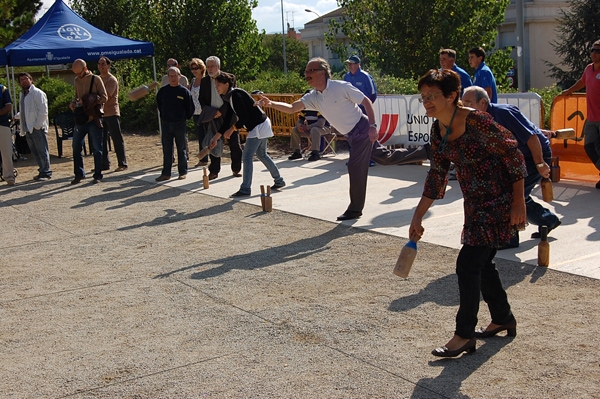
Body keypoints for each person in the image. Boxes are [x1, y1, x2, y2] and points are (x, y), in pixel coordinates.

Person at [409, 69, 526, 358]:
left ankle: (464, 335)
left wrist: (519, 202)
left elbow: (513, 153)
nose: (426, 102)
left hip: (499, 200)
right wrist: (417, 216)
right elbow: (436, 175)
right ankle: (502, 317)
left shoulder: (477, 121)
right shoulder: (438, 131)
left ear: (452, 96)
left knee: (467, 264)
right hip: (474, 204)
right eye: (423, 97)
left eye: (432, 96)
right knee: (482, 264)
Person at [258, 57, 378, 221]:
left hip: (362, 128)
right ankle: (423, 151)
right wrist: (270, 103)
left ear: (322, 72)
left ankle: (355, 210)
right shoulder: (313, 97)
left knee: (355, 167)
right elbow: (293, 108)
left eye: (310, 71)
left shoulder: (340, 87)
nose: (306, 74)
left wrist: (372, 126)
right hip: (351, 135)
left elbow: (366, 101)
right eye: (306, 71)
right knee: (384, 156)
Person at [462, 86, 560, 247]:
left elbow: (532, 138)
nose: (464, 107)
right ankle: (548, 219)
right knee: (514, 194)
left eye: (468, 102)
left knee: (511, 195)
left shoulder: (504, 113)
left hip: (532, 156)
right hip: (511, 161)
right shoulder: (473, 120)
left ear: (483, 102)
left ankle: (509, 238)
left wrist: (540, 164)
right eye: (462, 102)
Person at [212, 72, 285, 197]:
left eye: (218, 84)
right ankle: (279, 180)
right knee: (262, 154)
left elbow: (244, 117)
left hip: (259, 125)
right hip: (261, 124)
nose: (216, 86)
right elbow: (227, 119)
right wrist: (216, 137)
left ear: (226, 84)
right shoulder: (229, 97)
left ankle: (245, 188)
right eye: (215, 84)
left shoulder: (236, 95)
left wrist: (232, 129)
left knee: (246, 157)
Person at [559, 39, 600, 189]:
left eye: (597, 51)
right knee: (589, 146)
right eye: (592, 50)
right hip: (591, 117)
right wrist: (569, 91)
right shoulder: (589, 69)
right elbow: (582, 82)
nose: (593, 53)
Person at [198, 56, 243, 180]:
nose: (210, 69)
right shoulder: (205, 81)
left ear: (219, 66)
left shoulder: (229, 78)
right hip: (213, 116)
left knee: (235, 144)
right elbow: (201, 99)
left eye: (212, 66)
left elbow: (231, 98)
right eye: (208, 66)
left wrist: (220, 111)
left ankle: (236, 169)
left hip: (229, 115)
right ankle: (214, 171)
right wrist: (211, 112)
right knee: (213, 143)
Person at [69, 59, 108, 185]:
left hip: (93, 118)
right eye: (76, 74)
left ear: (85, 69)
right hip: (81, 118)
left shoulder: (96, 79)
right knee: (76, 146)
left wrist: (92, 101)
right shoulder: (76, 81)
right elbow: (76, 96)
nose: (78, 76)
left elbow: (105, 97)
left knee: (97, 148)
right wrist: (74, 103)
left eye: (79, 73)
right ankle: (79, 174)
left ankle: (98, 174)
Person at [155, 66, 194, 181]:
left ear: (179, 76)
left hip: (179, 124)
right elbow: (159, 104)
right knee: (167, 149)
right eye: (170, 76)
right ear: (168, 77)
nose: (173, 78)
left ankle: (182, 171)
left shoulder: (184, 91)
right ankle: (166, 173)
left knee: (181, 148)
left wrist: (184, 118)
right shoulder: (163, 91)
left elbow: (190, 108)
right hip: (166, 123)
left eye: (175, 76)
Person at [18, 72, 52, 181]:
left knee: (42, 150)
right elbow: (25, 110)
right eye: (21, 79)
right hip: (28, 127)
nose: (24, 81)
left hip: (37, 127)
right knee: (35, 152)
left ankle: (46, 172)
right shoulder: (22, 94)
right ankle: (42, 170)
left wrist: (37, 125)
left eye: (25, 78)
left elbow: (43, 111)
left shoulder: (38, 93)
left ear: (31, 80)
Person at [98, 56, 128, 172]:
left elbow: (107, 95)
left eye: (103, 64)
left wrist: (96, 97)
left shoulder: (112, 79)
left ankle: (122, 163)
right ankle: (104, 163)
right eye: (99, 64)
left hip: (112, 112)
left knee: (116, 138)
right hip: (101, 114)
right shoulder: (98, 79)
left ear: (108, 66)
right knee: (102, 139)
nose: (101, 66)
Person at [288, 90, 332, 162]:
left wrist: (307, 127)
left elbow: (321, 124)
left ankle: (315, 153)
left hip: (325, 129)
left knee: (315, 129)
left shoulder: (319, 107)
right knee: (295, 130)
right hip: (311, 129)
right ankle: (296, 151)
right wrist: (300, 126)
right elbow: (300, 120)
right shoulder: (304, 109)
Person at [188, 58, 208, 167]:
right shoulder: (192, 81)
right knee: (200, 136)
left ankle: (208, 157)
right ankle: (203, 158)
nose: (194, 70)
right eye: (192, 68)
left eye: (196, 68)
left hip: (205, 112)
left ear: (202, 68)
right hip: (196, 112)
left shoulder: (206, 81)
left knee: (207, 136)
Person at [0, 82, 15, 186]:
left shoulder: (2, 89)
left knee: (6, 152)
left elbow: (9, 107)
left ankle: (9, 177)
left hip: (2, 124)